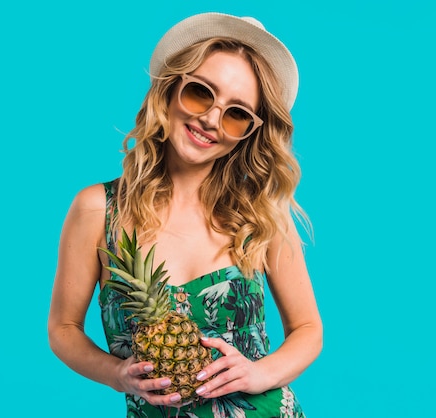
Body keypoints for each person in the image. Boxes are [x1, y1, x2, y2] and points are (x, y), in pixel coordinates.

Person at [48, 12, 323, 418]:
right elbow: (63, 329)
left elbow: (308, 330)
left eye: (236, 114)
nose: (211, 119)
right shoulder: (97, 209)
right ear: (170, 89)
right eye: (200, 93)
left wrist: (258, 375)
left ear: (248, 132)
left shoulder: (258, 214)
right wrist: (118, 374)